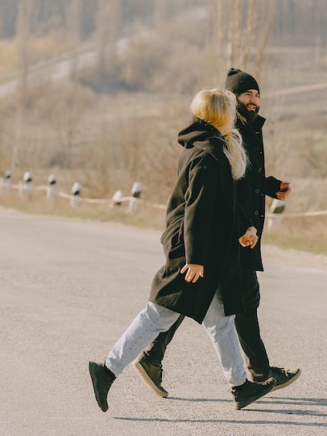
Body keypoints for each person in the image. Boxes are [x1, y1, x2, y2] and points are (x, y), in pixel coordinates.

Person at [88, 88, 277, 412]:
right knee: (158, 315)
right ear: (219, 114)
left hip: (204, 251)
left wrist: (245, 228)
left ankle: (240, 387)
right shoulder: (207, 153)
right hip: (190, 251)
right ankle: (106, 370)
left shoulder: (214, 148)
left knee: (220, 319)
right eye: (230, 110)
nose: (234, 116)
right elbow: (197, 210)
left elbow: (224, 202)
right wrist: (195, 260)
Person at [136, 68, 301, 398]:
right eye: (247, 95)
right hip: (232, 230)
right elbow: (223, 188)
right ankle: (259, 372)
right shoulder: (229, 129)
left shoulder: (249, 129)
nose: (254, 100)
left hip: (241, 227)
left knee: (205, 297)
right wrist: (242, 227)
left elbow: (244, 177)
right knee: (238, 299)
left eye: (257, 95)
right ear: (232, 100)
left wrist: (270, 187)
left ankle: (154, 355)